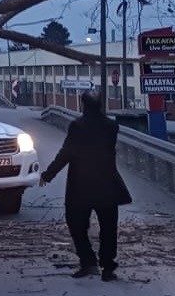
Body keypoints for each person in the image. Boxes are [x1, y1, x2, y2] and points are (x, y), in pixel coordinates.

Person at [40, 90, 133, 281]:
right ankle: (108, 267)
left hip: (81, 185)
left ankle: (88, 262)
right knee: (108, 227)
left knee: (76, 224)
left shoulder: (77, 126)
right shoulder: (111, 126)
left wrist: (48, 174)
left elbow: (66, 153)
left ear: (83, 104)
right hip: (107, 183)